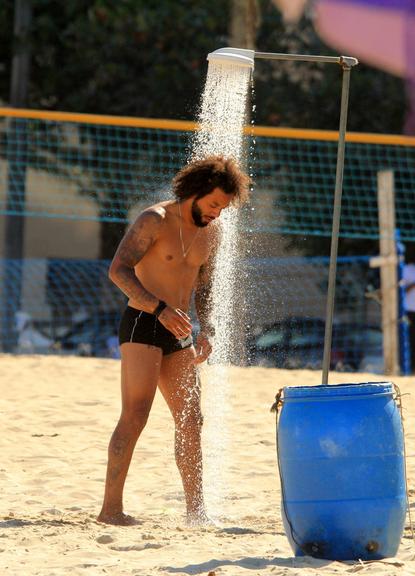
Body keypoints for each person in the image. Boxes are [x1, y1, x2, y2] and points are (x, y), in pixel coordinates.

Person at [97, 155, 250, 526]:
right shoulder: (155, 220)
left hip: (179, 329)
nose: (217, 213)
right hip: (143, 322)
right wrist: (159, 308)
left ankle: (196, 512)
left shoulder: (213, 231)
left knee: (191, 418)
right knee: (136, 415)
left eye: (224, 207)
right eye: (214, 204)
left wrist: (208, 328)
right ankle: (110, 510)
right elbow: (118, 271)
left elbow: (205, 285)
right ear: (194, 193)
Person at [403, 251, 415, 372]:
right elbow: (400, 290)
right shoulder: (406, 269)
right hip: (410, 310)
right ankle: (410, 367)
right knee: (410, 340)